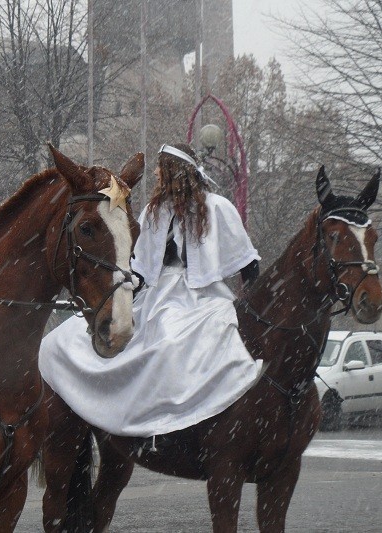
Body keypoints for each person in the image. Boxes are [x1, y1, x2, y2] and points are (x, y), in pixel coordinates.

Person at [39, 143, 263, 447]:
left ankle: (169, 424)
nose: (156, 173)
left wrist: (249, 307)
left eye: (161, 168)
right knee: (72, 338)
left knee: (169, 338)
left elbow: (248, 265)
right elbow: (139, 265)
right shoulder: (154, 211)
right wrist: (124, 296)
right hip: (155, 293)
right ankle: (112, 415)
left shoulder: (217, 208)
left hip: (203, 296)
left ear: (175, 172)